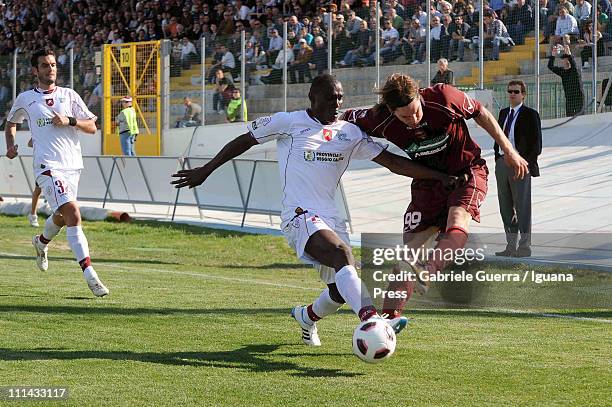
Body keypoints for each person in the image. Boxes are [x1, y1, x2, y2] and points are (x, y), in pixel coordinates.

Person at [172, 74, 464, 346]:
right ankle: (371, 319)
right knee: (342, 256)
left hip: (331, 219)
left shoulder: (348, 133)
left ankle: (306, 316)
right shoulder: (289, 122)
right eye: (330, 98)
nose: (336, 104)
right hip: (298, 216)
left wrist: (441, 177)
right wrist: (206, 170)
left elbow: (394, 162)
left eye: (340, 98)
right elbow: (244, 140)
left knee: (339, 289)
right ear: (312, 97)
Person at [342, 73, 529, 318]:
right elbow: (343, 118)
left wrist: (508, 150)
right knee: (407, 257)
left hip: (466, 171)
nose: (414, 120)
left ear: (420, 96)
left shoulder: (443, 96)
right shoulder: (378, 120)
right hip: (428, 183)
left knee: (458, 218)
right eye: (405, 117)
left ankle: (429, 269)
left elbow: (480, 112)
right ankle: (386, 323)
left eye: (416, 111)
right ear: (390, 111)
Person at [4, 48, 109, 297]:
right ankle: (90, 275)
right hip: (47, 166)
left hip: (73, 165)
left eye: (52, 64)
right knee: (73, 213)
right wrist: (10, 145)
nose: (50, 68)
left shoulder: (70, 95)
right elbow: (11, 123)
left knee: (62, 216)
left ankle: (40, 242)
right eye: (44, 65)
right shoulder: (26, 98)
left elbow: (93, 127)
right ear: (35, 70)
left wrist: (70, 121)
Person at [494, 81, 542, 258]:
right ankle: (510, 245)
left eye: (516, 91)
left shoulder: (530, 115)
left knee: (522, 206)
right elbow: (498, 137)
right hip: (502, 164)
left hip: (520, 164)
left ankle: (524, 246)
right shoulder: (503, 113)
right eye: (509, 91)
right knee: (505, 206)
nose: (512, 94)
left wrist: (524, 163)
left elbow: (536, 145)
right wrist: (498, 158)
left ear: (523, 94)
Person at [547, 45, 584, 116]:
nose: (564, 61)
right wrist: (553, 55)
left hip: (578, 98)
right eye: (563, 59)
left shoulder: (575, 70)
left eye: (566, 59)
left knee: (580, 117)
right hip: (569, 98)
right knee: (569, 118)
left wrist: (569, 54)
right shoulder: (562, 71)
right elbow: (550, 66)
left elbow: (573, 65)